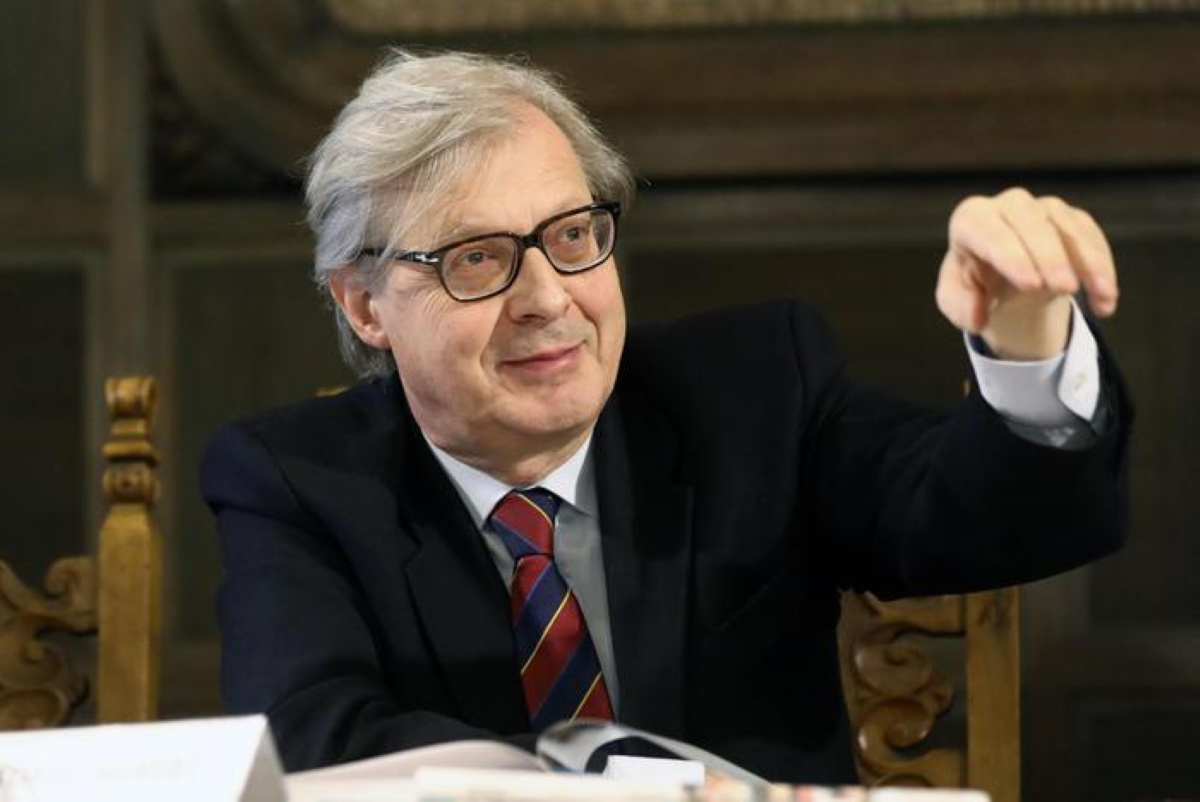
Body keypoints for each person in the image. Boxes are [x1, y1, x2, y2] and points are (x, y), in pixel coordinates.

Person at [200, 49, 1131, 783]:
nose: (548, 299)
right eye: (477, 258)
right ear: (366, 305)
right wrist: (629, 783)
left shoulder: (753, 393)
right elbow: (313, 746)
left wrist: (1026, 340)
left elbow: (996, 516)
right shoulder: (296, 480)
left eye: (572, 236)